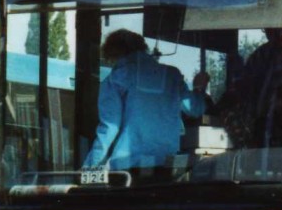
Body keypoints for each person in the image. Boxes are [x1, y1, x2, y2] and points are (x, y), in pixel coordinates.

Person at [83, 29, 209, 170]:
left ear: (114, 55)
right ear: (143, 48)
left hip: (128, 165)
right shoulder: (172, 75)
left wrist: (91, 165)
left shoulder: (116, 78)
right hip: (166, 164)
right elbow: (195, 109)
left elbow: (109, 127)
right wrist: (199, 88)